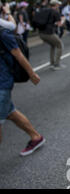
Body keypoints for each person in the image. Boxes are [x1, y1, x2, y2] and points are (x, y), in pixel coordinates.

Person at [0, 23, 44, 156]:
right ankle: (36, 137)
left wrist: (32, 74)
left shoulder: (3, 33)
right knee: (10, 113)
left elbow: (18, 54)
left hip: (2, 84)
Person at [38, 0, 65, 70]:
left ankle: (52, 63)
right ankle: (57, 64)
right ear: (56, 5)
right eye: (58, 4)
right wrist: (63, 20)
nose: (59, 6)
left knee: (53, 45)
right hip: (49, 33)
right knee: (60, 45)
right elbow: (60, 24)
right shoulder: (55, 12)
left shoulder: (45, 10)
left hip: (41, 33)